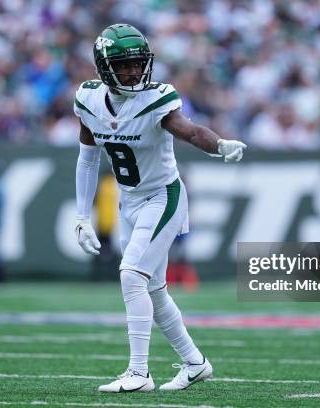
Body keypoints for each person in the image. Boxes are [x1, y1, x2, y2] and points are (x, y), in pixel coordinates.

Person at [73, 24, 246, 393]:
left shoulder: (156, 99)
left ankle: (139, 372)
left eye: (138, 64)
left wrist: (220, 145)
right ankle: (195, 363)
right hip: (128, 202)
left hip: (162, 196)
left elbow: (190, 131)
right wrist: (82, 216)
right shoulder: (88, 100)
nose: (134, 71)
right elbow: (87, 159)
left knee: (131, 275)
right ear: (104, 67)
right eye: (124, 65)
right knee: (152, 289)